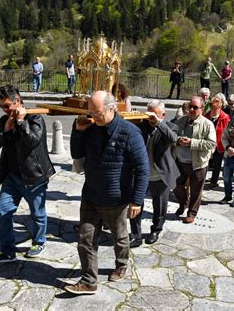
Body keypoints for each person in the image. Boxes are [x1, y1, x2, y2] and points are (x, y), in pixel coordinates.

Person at [66, 91, 149, 295]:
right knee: (85, 239)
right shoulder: (89, 127)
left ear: (112, 108)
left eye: (97, 113)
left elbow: (142, 168)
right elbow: (77, 154)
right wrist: (78, 130)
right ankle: (88, 281)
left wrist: (137, 200)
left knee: (120, 237)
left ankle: (121, 265)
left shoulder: (130, 132)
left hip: (116, 198)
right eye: (90, 112)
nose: (93, 117)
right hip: (91, 194)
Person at [0, 85, 55, 263]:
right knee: (3, 212)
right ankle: (8, 251)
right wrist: (7, 128)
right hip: (11, 177)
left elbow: (32, 141)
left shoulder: (35, 118)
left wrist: (20, 122)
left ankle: (39, 242)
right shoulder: (4, 120)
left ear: (17, 101)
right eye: (2, 106)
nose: (4, 109)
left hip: (33, 176)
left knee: (38, 214)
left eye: (7, 105)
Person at [130, 100, 179, 247]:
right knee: (136, 203)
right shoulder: (140, 126)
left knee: (160, 206)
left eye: (154, 113)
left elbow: (173, 139)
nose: (150, 116)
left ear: (163, 114)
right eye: (148, 112)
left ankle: (156, 230)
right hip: (141, 175)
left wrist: (158, 123)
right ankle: (136, 234)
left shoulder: (170, 127)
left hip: (160, 174)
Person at [174, 96, 216, 224]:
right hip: (180, 161)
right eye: (190, 107)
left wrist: (192, 142)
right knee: (176, 186)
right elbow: (173, 135)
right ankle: (183, 203)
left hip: (198, 163)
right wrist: (178, 140)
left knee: (196, 191)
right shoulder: (181, 121)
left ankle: (191, 213)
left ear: (202, 109)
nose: (191, 109)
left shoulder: (207, 124)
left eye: (195, 107)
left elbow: (211, 144)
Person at [205, 93, 230, 189]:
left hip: (219, 144)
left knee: (217, 164)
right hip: (207, 144)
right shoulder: (206, 116)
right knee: (206, 162)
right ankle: (202, 179)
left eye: (216, 108)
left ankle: (213, 181)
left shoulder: (225, 117)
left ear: (220, 107)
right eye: (212, 108)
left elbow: (227, 132)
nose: (214, 111)